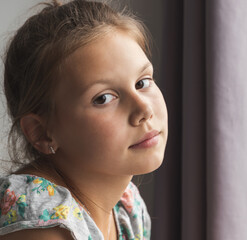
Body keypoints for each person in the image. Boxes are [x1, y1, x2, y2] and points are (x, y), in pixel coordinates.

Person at [0, 0, 168, 239]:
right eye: (103, 98)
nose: (144, 109)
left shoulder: (128, 206)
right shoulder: (41, 227)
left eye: (142, 83)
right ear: (41, 132)